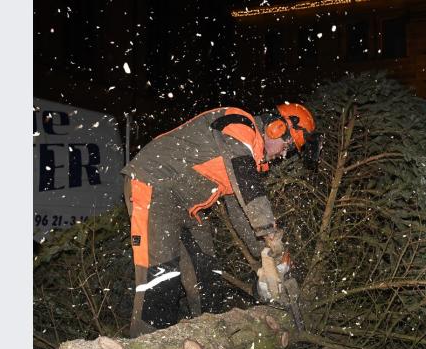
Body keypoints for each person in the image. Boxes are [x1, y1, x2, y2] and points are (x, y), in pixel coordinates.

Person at [120, 103, 319, 337]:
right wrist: (272, 234)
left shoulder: (245, 155)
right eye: (287, 146)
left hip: (186, 206)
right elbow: (249, 188)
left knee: (207, 279)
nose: (282, 154)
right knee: (161, 277)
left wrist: (268, 251)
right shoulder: (239, 125)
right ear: (276, 128)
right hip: (153, 185)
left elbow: (241, 213)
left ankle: (210, 341)